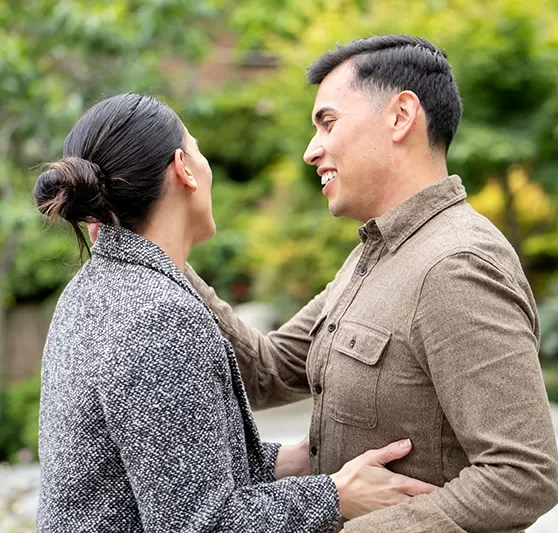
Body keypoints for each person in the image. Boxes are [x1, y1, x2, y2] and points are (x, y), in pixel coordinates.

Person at [179, 35, 558, 532]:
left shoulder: (456, 265)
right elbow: (269, 371)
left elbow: (524, 475)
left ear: (401, 115)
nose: (310, 150)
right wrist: (163, 252)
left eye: (328, 122)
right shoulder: (372, 253)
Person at [32, 92, 436, 533]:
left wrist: (298, 458)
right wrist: (336, 494)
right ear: (184, 168)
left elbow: (171, 469)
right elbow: (202, 523)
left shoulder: (91, 290)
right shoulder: (160, 318)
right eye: (198, 149)